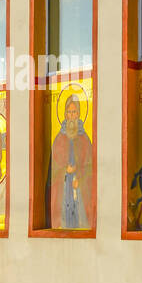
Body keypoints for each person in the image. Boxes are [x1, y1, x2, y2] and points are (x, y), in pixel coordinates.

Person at [50, 92, 94, 229]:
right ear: (65, 114)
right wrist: (65, 171)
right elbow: (53, 170)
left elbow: (90, 166)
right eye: (69, 112)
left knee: (81, 221)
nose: (71, 115)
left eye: (74, 112)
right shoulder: (59, 140)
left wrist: (79, 176)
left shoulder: (85, 139)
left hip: (79, 187)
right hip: (64, 188)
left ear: (79, 114)